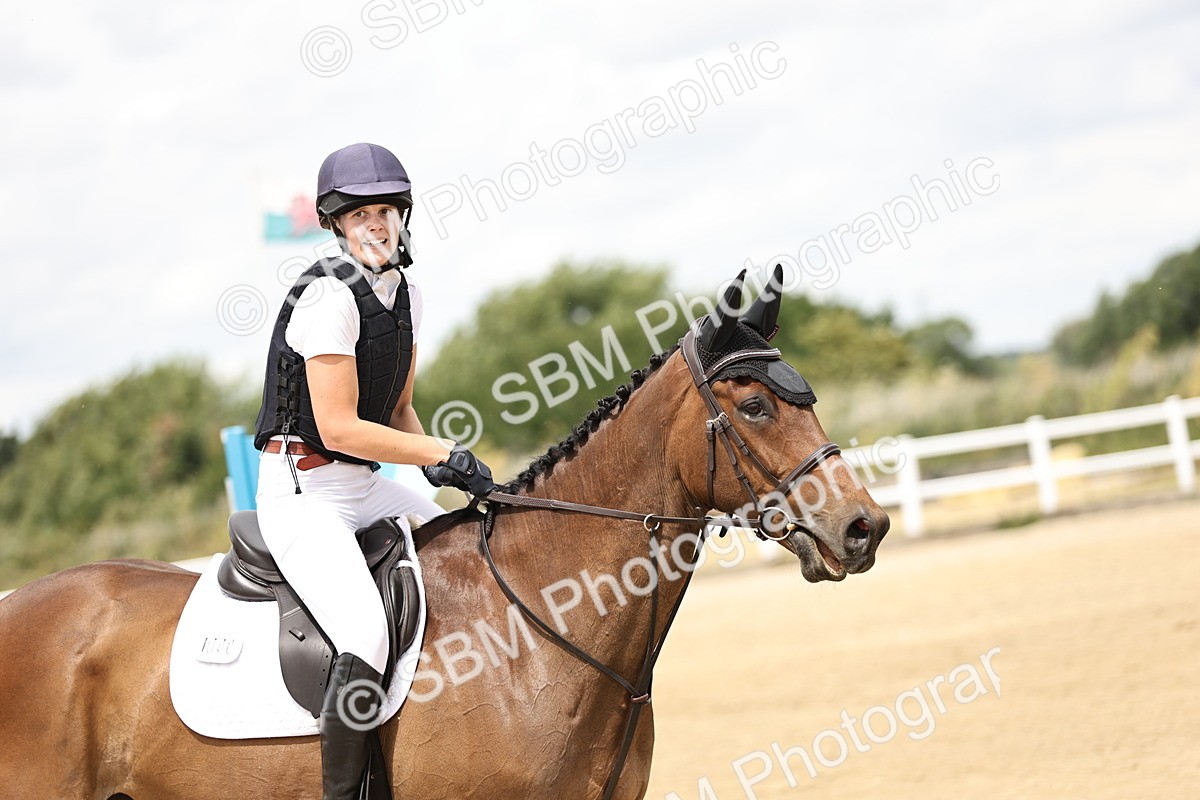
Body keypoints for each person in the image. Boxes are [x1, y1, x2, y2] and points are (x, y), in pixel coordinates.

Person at [253, 142, 498, 800]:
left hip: (363, 485)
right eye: (360, 214)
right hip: (304, 493)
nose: (377, 224)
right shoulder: (327, 297)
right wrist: (440, 455)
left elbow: (399, 409)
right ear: (335, 224)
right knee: (362, 628)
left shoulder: (408, 292)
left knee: (475, 551)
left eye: (386, 210)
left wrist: (446, 479)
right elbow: (336, 428)